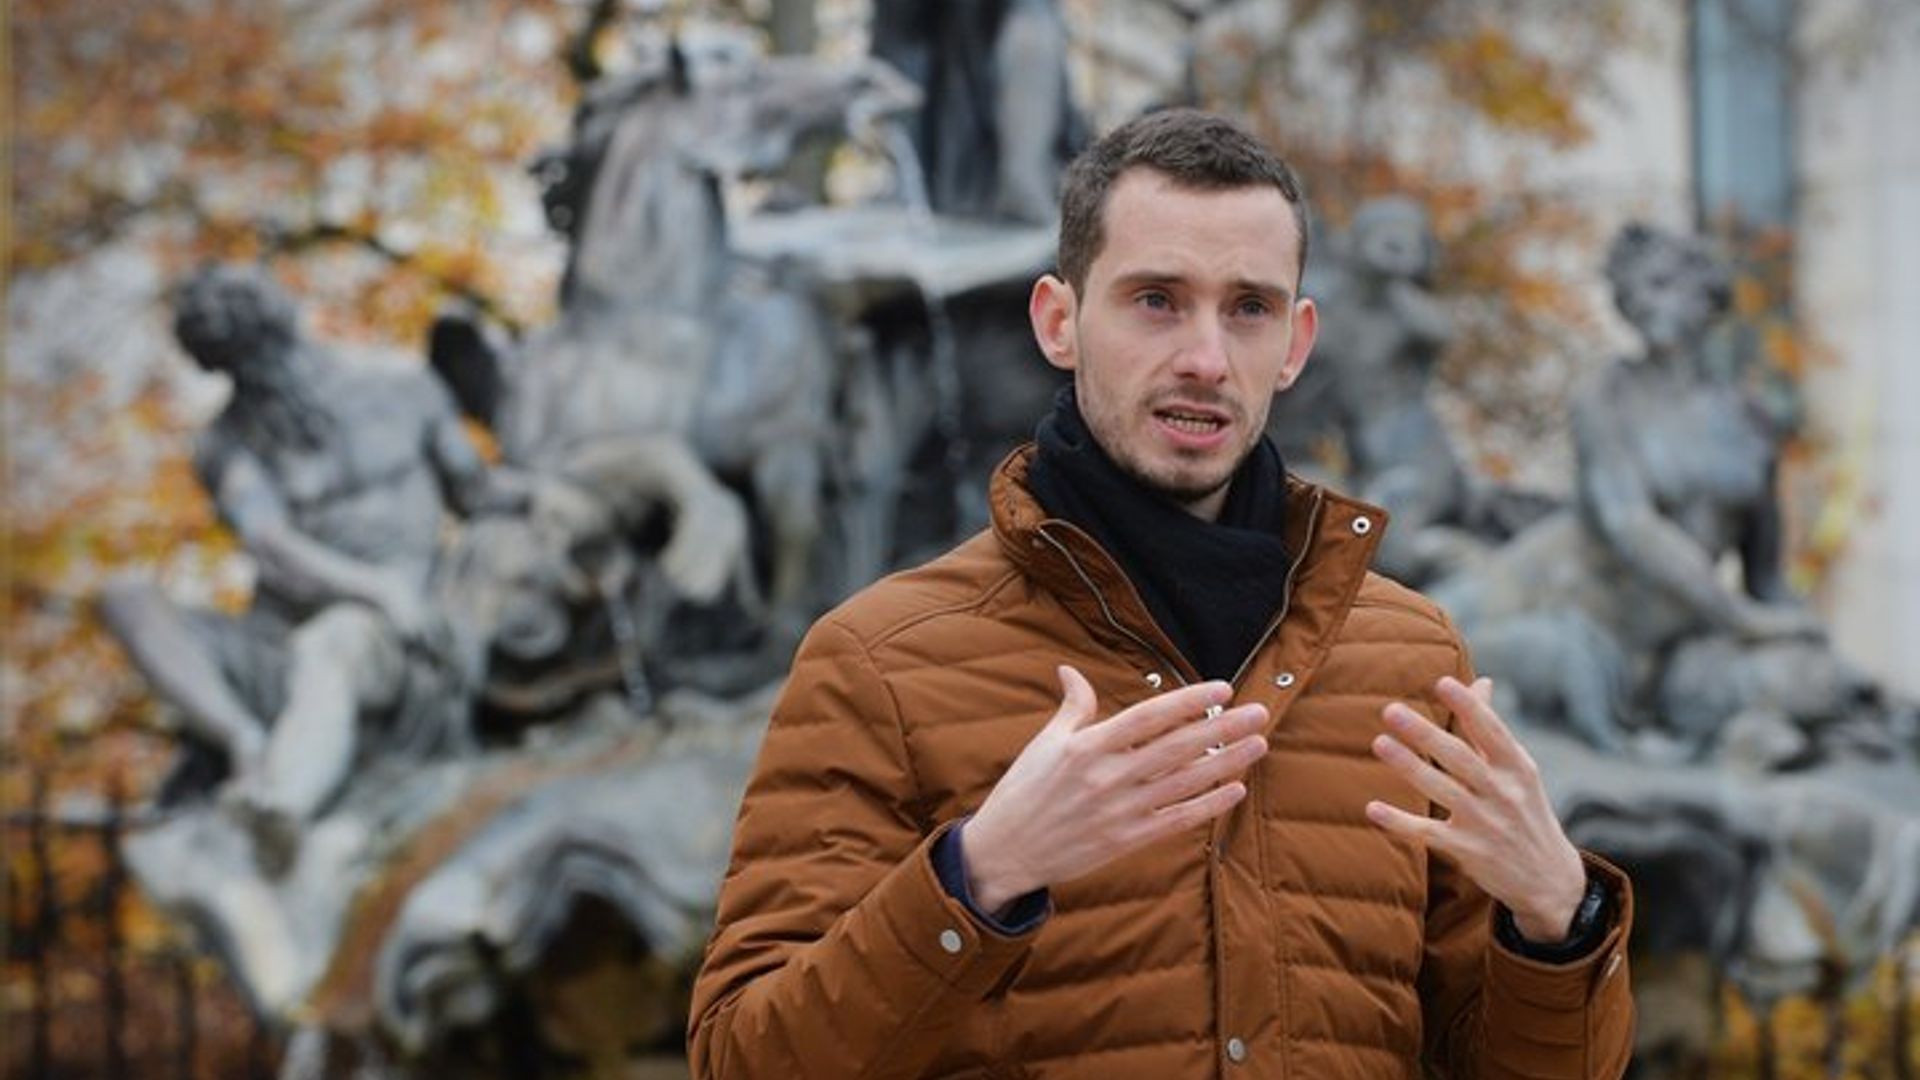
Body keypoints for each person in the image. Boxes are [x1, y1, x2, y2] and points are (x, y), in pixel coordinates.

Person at [688, 109, 1634, 1078]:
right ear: (1058, 321)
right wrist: (977, 877)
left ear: (1297, 342)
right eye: (1156, 300)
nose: (1206, 359)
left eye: (1249, 308)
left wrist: (1558, 919)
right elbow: (742, 1059)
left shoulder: (1413, 661)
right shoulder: (879, 662)